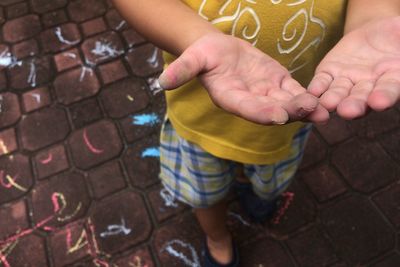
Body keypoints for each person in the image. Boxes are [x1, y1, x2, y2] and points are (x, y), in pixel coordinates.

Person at [112, 0, 400, 266]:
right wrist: (195, 36)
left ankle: (256, 192)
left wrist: (373, 19)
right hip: (201, 121)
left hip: (291, 114)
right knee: (206, 195)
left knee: (268, 182)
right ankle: (217, 236)